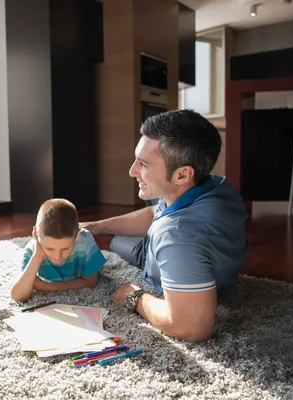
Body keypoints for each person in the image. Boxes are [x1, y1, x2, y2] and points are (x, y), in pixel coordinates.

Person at [81, 109, 248, 343]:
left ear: (182, 175)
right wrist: (96, 226)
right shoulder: (217, 184)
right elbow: (156, 211)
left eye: (143, 164)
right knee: (127, 223)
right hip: (196, 250)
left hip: (167, 252)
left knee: (116, 242)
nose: (132, 171)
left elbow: (192, 327)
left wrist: (135, 296)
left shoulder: (177, 235)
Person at [11, 198, 106, 302]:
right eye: (50, 248)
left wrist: (45, 286)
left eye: (65, 248)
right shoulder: (33, 249)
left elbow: (90, 282)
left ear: (77, 235)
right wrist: (38, 256)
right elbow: (17, 296)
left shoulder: (84, 240)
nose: (57, 256)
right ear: (36, 235)